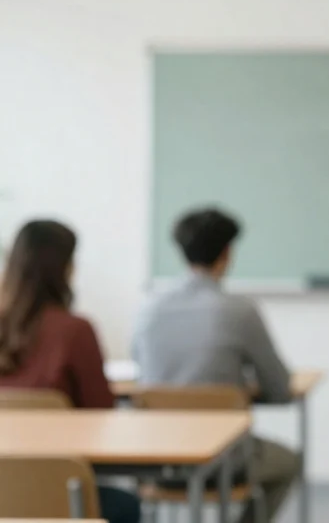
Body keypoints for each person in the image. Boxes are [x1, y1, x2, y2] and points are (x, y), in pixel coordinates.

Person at [132, 208, 299, 523]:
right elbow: (281, 391)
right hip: (225, 462)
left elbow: (142, 373)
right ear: (227, 252)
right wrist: (240, 392)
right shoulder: (240, 312)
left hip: (155, 457)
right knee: (290, 462)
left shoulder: (148, 309)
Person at [0, 220, 141, 523]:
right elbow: (102, 413)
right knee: (125, 505)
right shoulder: (74, 330)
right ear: (64, 268)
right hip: (59, 493)